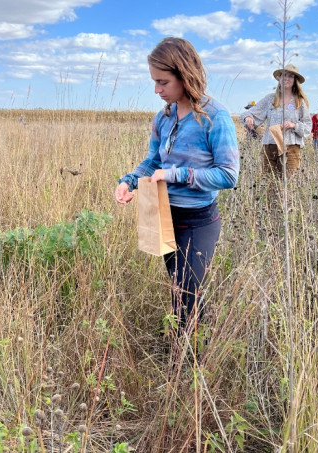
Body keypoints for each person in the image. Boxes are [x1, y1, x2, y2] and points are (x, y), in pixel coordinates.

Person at [115, 37, 240, 334]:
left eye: (163, 82)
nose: (157, 90)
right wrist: (128, 181)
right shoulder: (164, 117)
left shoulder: (215, 117)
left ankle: (193, 366)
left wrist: (177, 175)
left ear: (185, 75)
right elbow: (152, 162)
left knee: (189, 296)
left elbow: (228, 175)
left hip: (198, 220)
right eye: (154, 82)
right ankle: (180, 358)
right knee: (177, 292)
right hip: (165, 215)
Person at [239, 64, 311, 178]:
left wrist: (293, 125)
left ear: (295, 80)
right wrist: (248, 118)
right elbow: (250, 113)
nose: (286, 78)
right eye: (283, 75)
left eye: (290, 76)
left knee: (288, 185)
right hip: (270, 147)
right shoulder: (270, 99)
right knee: (268, 183)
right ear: (279, 78)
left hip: (291, 148)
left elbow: (308, 126)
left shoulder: (299, 102)